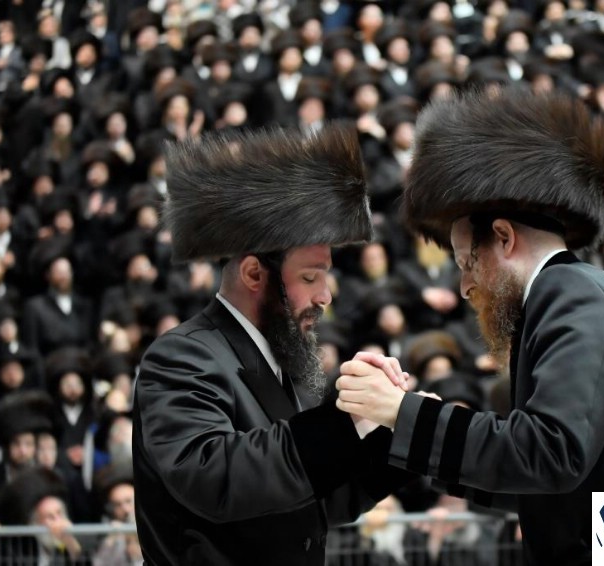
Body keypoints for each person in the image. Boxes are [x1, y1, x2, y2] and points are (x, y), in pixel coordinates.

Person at [336, 87, 604, 565]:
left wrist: (405, 413)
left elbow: (551, 453)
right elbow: (540, 485)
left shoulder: (569, 293)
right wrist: (421, 425)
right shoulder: (570, 294)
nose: (464, 285)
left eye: (466, 262)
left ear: (503, 237)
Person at [132, 123, 413, 565]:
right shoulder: (181, 356)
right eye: (309, 277)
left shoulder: (285, 363)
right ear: (253, 274)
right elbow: (213, 477)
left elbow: (317, 501)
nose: (325, 296)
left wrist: (397, 431)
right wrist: (346, 421)